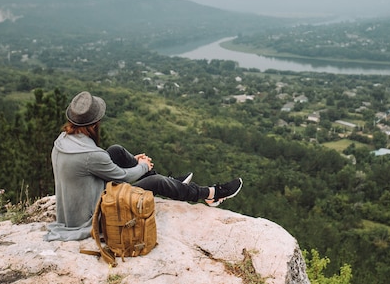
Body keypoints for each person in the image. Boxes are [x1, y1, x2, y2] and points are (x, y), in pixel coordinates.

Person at [45, 91, 242, 241]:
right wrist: (143, 166)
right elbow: (122, 176)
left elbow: (95, 165)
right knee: (155, 181)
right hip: (95, 215)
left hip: (76, 207)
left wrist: (138, 165)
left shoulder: (62, 141)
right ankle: (211, 194)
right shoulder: (90, 155)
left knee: (116, 150)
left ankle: (173, 184)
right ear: (95, 123)